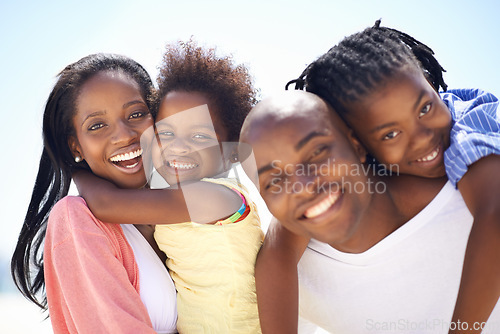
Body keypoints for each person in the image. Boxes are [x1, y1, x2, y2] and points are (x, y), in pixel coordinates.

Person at [279, 20, 499, 333]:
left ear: (429, 83)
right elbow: (281, 247)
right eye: (391, 133)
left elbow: (495, 216)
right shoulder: (355, 168)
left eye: (425, 108)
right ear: (358, 144)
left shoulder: (469, 123)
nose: (422, 137)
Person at [241, 90, 500, 333]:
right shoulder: (287, 280)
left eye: (317, 153)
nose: (304, 187)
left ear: (357, 144)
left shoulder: (468, 184)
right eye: (275, 181)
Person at [74, 40, 264, 333]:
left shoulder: (215, 197)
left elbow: (106, 205)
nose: (179, 147)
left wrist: (75, 168)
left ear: (232, 152)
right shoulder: (174, 197)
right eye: (166, 133)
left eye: (199, 137)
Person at [10, 53, 184, 333]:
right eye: (97, 125)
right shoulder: (75, 218)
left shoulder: (184, 205)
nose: (124, 135)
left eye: (136, 114)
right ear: (75, 146)